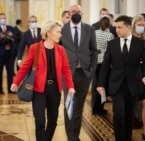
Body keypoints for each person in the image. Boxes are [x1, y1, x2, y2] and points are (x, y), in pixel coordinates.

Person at [10, 20, 75, 141]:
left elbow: (66, 70)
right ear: (49, 33)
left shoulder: (60, 49)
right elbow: (25, 67)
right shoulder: (36, 48)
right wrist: (16, 82)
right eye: (58, 32)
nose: (60, 35)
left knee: (53, 120)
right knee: (39, 120)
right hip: (39, 89)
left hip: (54, 89)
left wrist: (70, 86)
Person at [96, 15, 145, 141]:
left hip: (134, 84)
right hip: (117, 85)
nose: (117, 30)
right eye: (116, 27)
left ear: (128, 27)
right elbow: (105, 65)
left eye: (120, 27)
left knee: (129, 116)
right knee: (119, 115)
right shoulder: (112, 44)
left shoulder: (140, 44)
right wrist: (100, 84)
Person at [59, 4, 98, 141]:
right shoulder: (62, 30)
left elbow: (94, 50)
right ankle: (71, 137)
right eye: (73, 11)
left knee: (79, 107)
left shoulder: (89, 29)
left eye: (78, 11)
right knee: (69, 105)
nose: (76, 13)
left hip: (84, 73)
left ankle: (76, 135)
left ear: (82, 14)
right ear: (69, 14)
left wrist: (92, 69)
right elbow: (58, 50)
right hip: (67, 73)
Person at [91, 16, 114, 115]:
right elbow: (111, 50)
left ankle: (95, 106)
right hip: (104, 63)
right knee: (103, 86)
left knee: (96, 85)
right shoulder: (110, 35)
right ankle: (100, 107)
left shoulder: (95, 33)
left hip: (95, 61)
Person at [0, 13, 16, 94]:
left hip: (9, 54)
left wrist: (11, 36)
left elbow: (15, 37)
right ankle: (0, 89)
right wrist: (0, 38)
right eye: (1, 18)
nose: (3, 20)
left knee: (10, 72)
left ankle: (10, 89)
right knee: (0, 71)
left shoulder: (10, 28)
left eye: (4, 18)